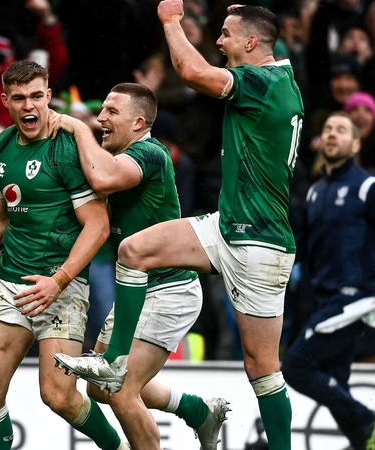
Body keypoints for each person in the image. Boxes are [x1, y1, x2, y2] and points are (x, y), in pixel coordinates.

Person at [54, 4, 303, 449]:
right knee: (133, 251)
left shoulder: (265, 82)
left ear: (251, 42)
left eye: (226, 35)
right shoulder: (277, 86)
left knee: (261, 367)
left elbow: (190, 70)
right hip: (228, 225)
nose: (219, 42)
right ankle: (119, 363)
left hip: (259, 241)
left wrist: (170, 20)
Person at [0, 60, 128, 450]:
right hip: (12, 282)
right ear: (5, 101)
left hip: (62, 286)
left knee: (59, 396)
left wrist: (59, 280)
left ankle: (117, 448)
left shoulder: (67, 148)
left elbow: (97, 226)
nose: (29, 106)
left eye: (36, 96)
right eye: (18, 99)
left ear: (49, 96)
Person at [50, 82, 229, 450]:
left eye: (112, 112)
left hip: (168, 291)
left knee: (119, 391)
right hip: (139, 290)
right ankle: (196, 411)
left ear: (139, 122)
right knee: (99, 387)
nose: (101, 117)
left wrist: (77, 126)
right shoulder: (117, 153)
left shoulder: (149, 152)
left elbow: (103, 178)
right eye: (101, 111)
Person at [281, 112, 375, 450]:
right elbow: (310, 250)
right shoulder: (315, 192)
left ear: (356, 144)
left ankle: (367, 418)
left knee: (295, 368)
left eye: (341, 130)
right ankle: (363, 440)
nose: (331, 134)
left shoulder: (368, 186)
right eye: (327, 129)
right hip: (323, 299)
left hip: (352, 301)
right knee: (336, 382)